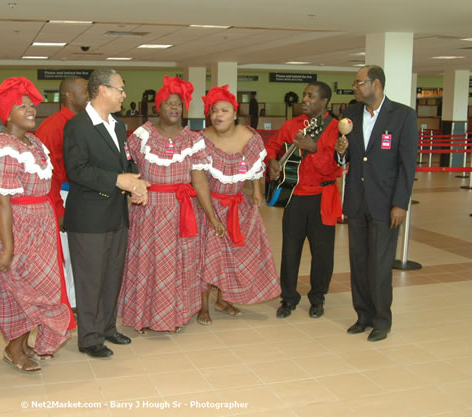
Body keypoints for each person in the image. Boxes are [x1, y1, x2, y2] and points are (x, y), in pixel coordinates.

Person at [0, 77, 74, 373]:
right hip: (16, 227)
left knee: (40, 286)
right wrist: (7, 247)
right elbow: (0, 201)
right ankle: (13, 349)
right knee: (19, 289)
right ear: (7, 113)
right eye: (22, 105)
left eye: (31, 105)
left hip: (40, 226)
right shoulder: (2, 148)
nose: (31, 109)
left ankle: (23, 343)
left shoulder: (32, 142)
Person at [118, 76, 223, 334]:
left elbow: (199, 181)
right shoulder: (141, 136)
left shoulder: (193, 140)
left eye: (178, 104)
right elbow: (127, 170)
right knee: (146, 264)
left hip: (181, 212)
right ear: (158, 107)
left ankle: (171, 317)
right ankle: (142, 316)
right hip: (147, 210)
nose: (174, 108)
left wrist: (212, 217)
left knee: (177, 266)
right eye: (168, 103)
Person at [63, 68, 150, 358]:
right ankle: (89, 338)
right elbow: (76, 169)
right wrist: (117, 180)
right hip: (88, 216)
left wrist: (135, 182)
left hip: (115, 213)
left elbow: (122, 164)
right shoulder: (78, 126)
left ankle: (108, 327)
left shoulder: (119, 126)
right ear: (102, 90)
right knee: (91, 278)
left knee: (112, 275)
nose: (124, 95)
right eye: (120, 89)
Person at [335, 65, 418, 342]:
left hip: (385, 204)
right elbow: (346, 159)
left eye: (359, 83)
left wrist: (400, 203)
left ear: (376, 84)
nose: (355, 87)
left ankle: (382, 320)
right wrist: (341, 154)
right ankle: (363, 316)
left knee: (380, 265)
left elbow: (408, 165)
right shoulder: (351, 114)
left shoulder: (403, 116)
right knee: (358, 262)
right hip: (357, 202)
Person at [196, 85, 280, 326]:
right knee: (207, 256)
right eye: (214, 111)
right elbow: (199, 179)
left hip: (237, 205)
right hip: (207, 207)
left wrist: (256, 191)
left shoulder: (249, 137)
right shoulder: (201, 139)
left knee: (232, 254)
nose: (218, 115)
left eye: (224, 110)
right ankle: (203, 306)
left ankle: (224, 299)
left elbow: (255, 166)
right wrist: (211, 216)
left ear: (234, 113)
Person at [267, 81, 342, 319]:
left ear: (324, 101)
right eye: (304, 95)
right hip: (294, 197)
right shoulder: (292, 125)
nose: (305, 100)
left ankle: (317, 298)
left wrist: (314, 148)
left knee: (322, 253)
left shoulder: (334, 128)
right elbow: (271, 146)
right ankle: (288, 297)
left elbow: (335, 169)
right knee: (290, 250)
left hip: (322, 198)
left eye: (311, 96)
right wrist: (271, 163)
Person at [35, 76, 89, 308]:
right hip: (63, 196)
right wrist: (58, 209)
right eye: (85, 91)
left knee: (83, 252)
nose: (89, 95)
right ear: (68, 95)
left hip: (84, 195)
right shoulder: (52, 127)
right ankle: (70, 304)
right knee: (67, 254)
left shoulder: (87, 122)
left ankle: (80, 299)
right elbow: (48, 176)